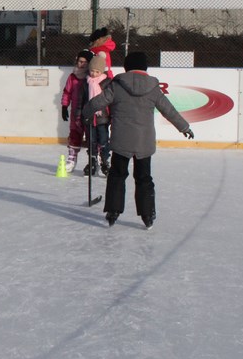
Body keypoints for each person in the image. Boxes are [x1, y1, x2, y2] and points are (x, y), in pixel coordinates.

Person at [83, 51, 194, 229]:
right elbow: (169, 110)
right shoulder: (153, 88)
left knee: (117, 175)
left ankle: (113, 211)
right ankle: (147, 214)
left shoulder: (117, 85)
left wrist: (86, 113)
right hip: (144, 141)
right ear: (145, 68)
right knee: (144, 177)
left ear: (126, 67)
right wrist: (184, 127)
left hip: (121, 140)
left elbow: (98, 102)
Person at [60, 49, 93, 173]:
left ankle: (94, 160)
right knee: (74, 134)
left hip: (89, 111)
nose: (82, 64)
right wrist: (64, 106)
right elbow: (67, 92)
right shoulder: (73, 76)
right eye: (80, 61)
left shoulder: (92, 76)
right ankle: (72, 158)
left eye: (85, 62)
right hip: (76, 111)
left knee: (92, 136)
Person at [84, 52, 111, 176]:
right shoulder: (86, 82)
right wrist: (82, 115)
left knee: (104, 140)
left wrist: (112, 117)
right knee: (91, 141)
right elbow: (82, 101)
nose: (94, 74)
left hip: (102, 118)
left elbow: (110, 102)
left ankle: (105, 161)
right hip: (90, 118)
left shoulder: (107, 83)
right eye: (92, 71)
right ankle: (93, 161)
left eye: (97, 71)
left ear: (102, 72)